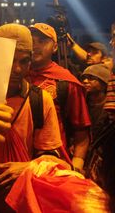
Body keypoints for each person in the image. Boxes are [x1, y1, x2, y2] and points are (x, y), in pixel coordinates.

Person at [0, 23, 66, 212]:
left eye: (24, 61)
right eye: (10, 60)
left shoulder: (40, 100)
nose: (17, 69)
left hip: (16, 200)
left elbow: (52, 157)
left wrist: (28, 167)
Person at [28, 23, 91, 173]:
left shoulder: (66, 82)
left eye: (42, 41)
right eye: (31, 41)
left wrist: (75, 169)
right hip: (16, 163)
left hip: (52, 167)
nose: (35, 46)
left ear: (55, 47)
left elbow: (81, 133)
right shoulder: (16, 76)